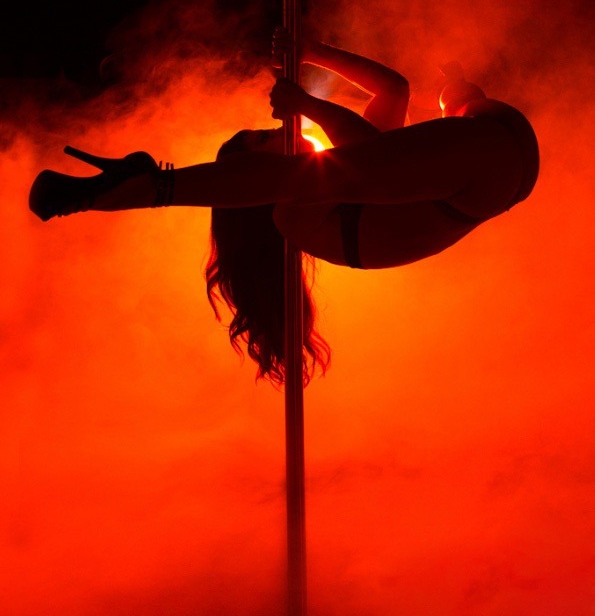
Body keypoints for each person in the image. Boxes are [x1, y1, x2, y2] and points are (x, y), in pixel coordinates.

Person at [28, 29, 539, 385]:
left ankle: (143, 187)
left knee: (458, 99)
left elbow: (392, 91)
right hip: (487, 170)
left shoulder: (326, 187)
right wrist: (308, 104)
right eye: (261, 138)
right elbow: (366, 159)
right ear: (247, 184)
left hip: (486, 144)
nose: (276, 130)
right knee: (435, 118)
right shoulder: (296, 218)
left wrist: (315, 52)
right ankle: (146, 189)